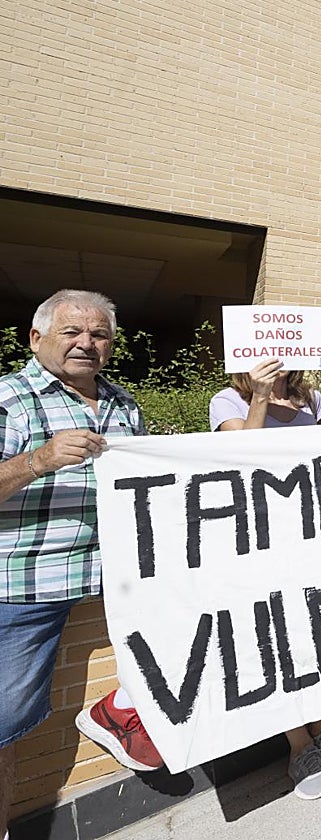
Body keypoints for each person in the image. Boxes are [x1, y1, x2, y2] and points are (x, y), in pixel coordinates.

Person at [0, 291, 154, 838]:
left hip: (119, 578)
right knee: (4, 725)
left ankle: (118, 713)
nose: (87, 343)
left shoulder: (124, 403)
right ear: (36, 338)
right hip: (28, 587)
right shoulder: (10, 400)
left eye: (99, 335)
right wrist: (38, 459)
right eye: (72, 332)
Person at [211, 360, 321, 800]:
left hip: (312, 533)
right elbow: (242, 459)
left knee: (319, 634)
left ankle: (319, 727)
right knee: (280, 640)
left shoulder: (311, 398)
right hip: (261, 540)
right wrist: (259, 395)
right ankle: (298, 747)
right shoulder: (229, 400)